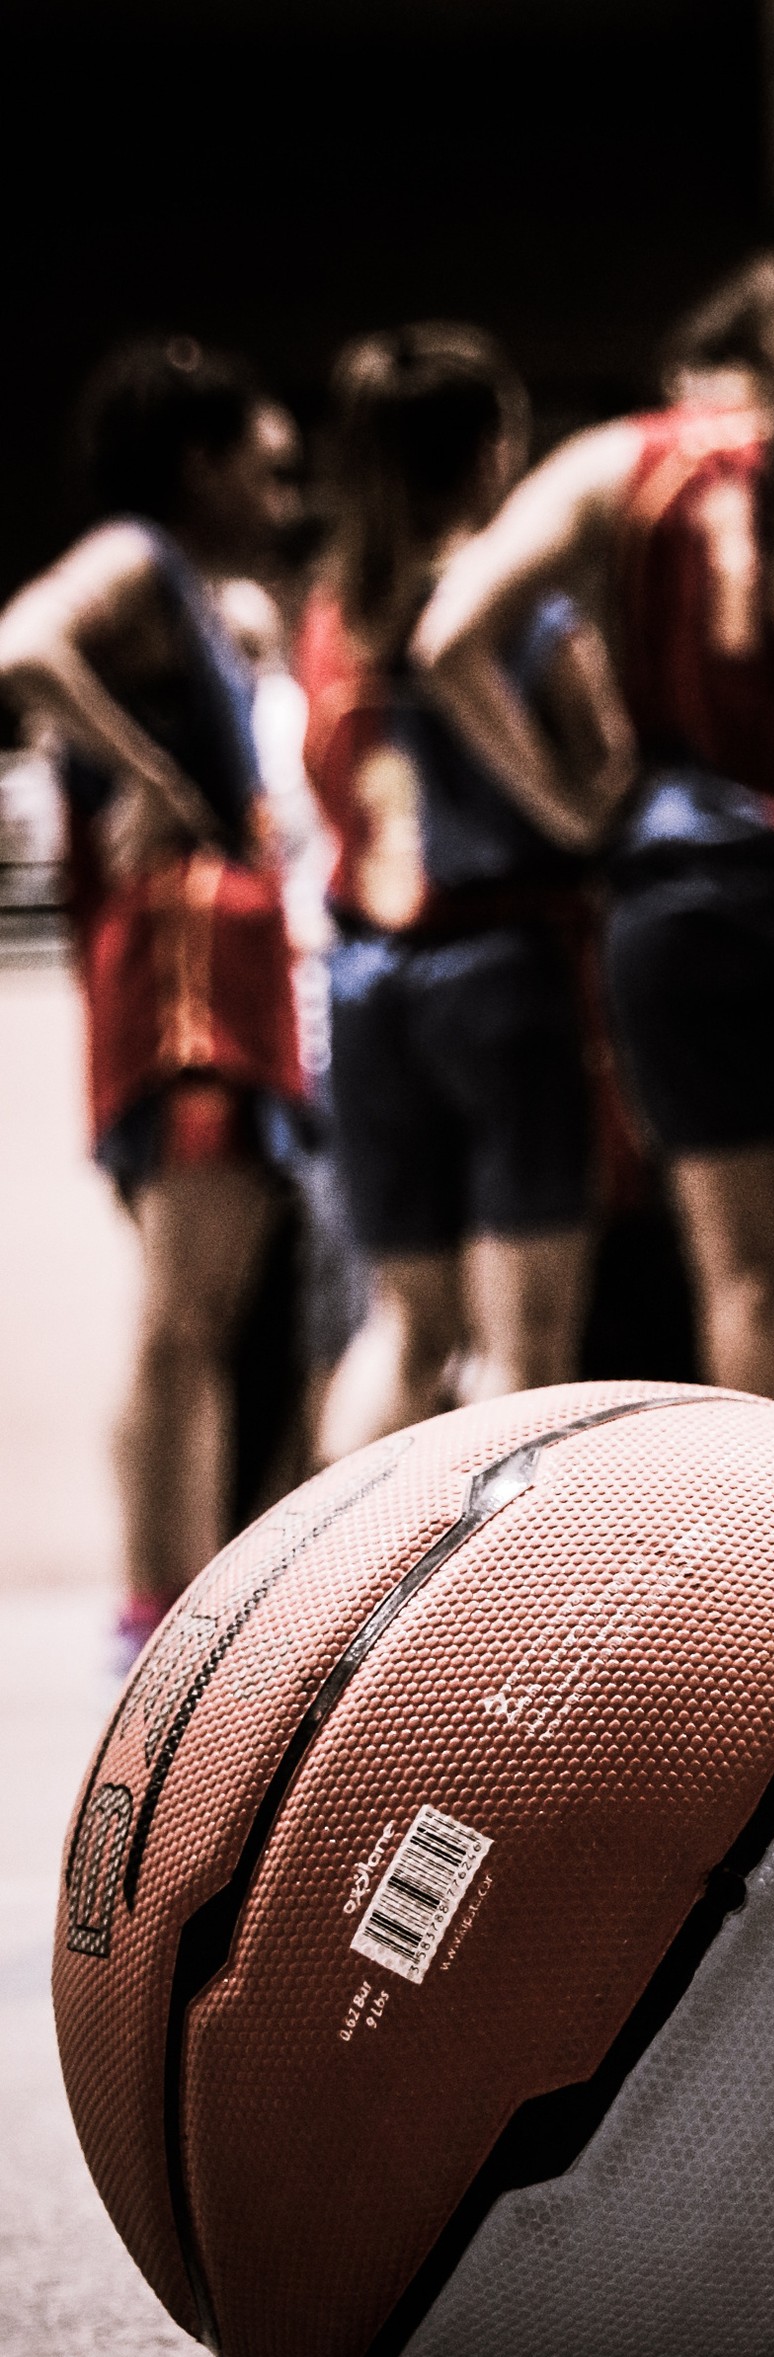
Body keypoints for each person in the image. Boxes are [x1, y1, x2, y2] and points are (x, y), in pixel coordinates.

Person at [412, 254, 774, 1463]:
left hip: (682, 901)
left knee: (745, 1278)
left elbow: (449, 634)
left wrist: (572, 813)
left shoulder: (619, 459)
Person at [0, 337, 305, 1666]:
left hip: (204, 966)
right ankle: (159, 1614)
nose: (280, 493)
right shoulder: (135, 558)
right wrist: (153, 779)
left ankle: (174, 1603)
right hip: (187, 968)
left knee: (210, 1309)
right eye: (264, 464)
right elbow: (20, 647)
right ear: (201, 462)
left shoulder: (190, 587)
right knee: (188, 1312)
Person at [297, 325, 632, 1456]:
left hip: (365, 973)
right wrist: (577, 821)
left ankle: (339, 1603)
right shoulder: (517, 609)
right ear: (495, 450)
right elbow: (607, 776)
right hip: (504, 969)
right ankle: (503, 1623)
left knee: (404, 1327)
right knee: (527, 1349)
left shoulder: (333, 614)